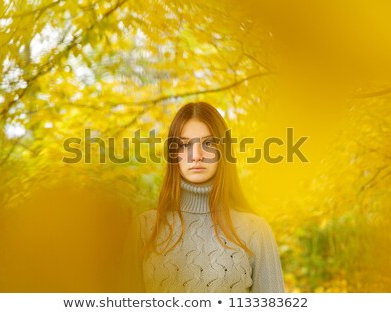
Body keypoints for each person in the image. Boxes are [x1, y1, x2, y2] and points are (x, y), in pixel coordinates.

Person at [121, 102, 285, 292]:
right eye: (184, 144)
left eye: (208, 143)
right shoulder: (144, 229)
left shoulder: (255, 231)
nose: (196, 155)